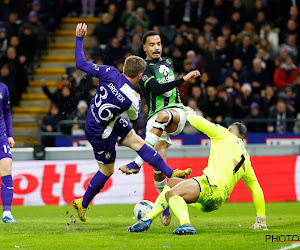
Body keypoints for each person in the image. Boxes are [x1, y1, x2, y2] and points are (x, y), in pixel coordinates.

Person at [72, 23, 192, 222]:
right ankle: (82, 203)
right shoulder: (132, 99)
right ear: (139, 75)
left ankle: (172, 172)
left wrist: (79, 38)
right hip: (99, 131)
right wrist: (135, 104)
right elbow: (136, 119)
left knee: (138, 142)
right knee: (107, 170)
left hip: (102, 119)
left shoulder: (109, 72)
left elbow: (81, 63)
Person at [128, 106, 267, 235]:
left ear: (230, 129)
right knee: (172, 183)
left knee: (172, 194)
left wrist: (188, 112)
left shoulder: (224, 134)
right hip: (217, 201)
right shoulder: (246, 159)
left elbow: (197, 122)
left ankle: (186, 224)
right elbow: (256, 189)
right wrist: (261, 219)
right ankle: (146, 220)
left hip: (209, 186)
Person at [119, 30, 200, 226]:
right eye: (152, 44)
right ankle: (165, 205)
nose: (157, 47)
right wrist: (184, 79)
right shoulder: (143, 70)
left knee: (164, 115)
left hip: (174, 113)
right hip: (155, 120)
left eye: (159, 43)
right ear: (144, 47)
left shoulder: (169, 62)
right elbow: (155, 89)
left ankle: (137, 162)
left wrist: (182, 80)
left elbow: (168, 90)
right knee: (158, 167)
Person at [0, 82, 17, 223]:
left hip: (1, 136)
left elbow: (6, 112)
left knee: (7, 166)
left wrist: (9, 135)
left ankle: (7, 213)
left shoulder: (3, 88)